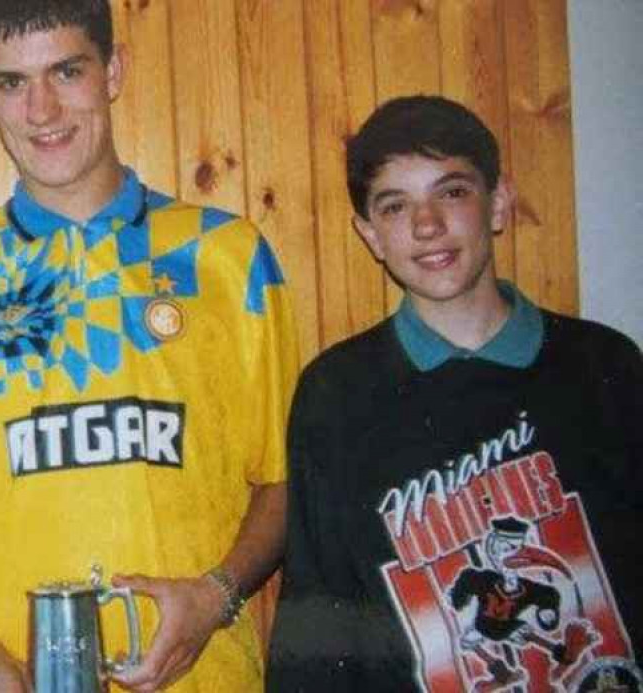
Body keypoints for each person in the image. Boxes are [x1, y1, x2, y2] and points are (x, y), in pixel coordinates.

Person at [0, 1, 299, 692]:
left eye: (66, 70)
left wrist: (215, 596)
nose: (42, 108)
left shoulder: (226, 257)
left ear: (112, 70)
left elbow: (285, 477)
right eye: (10, 82)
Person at [266, 94, 642, 692]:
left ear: (498, 203)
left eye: (451, 192)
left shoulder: (606, 366)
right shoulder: (335, 396)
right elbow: (315, 629)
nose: (426, 225)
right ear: (370, 235)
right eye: (395, 206)